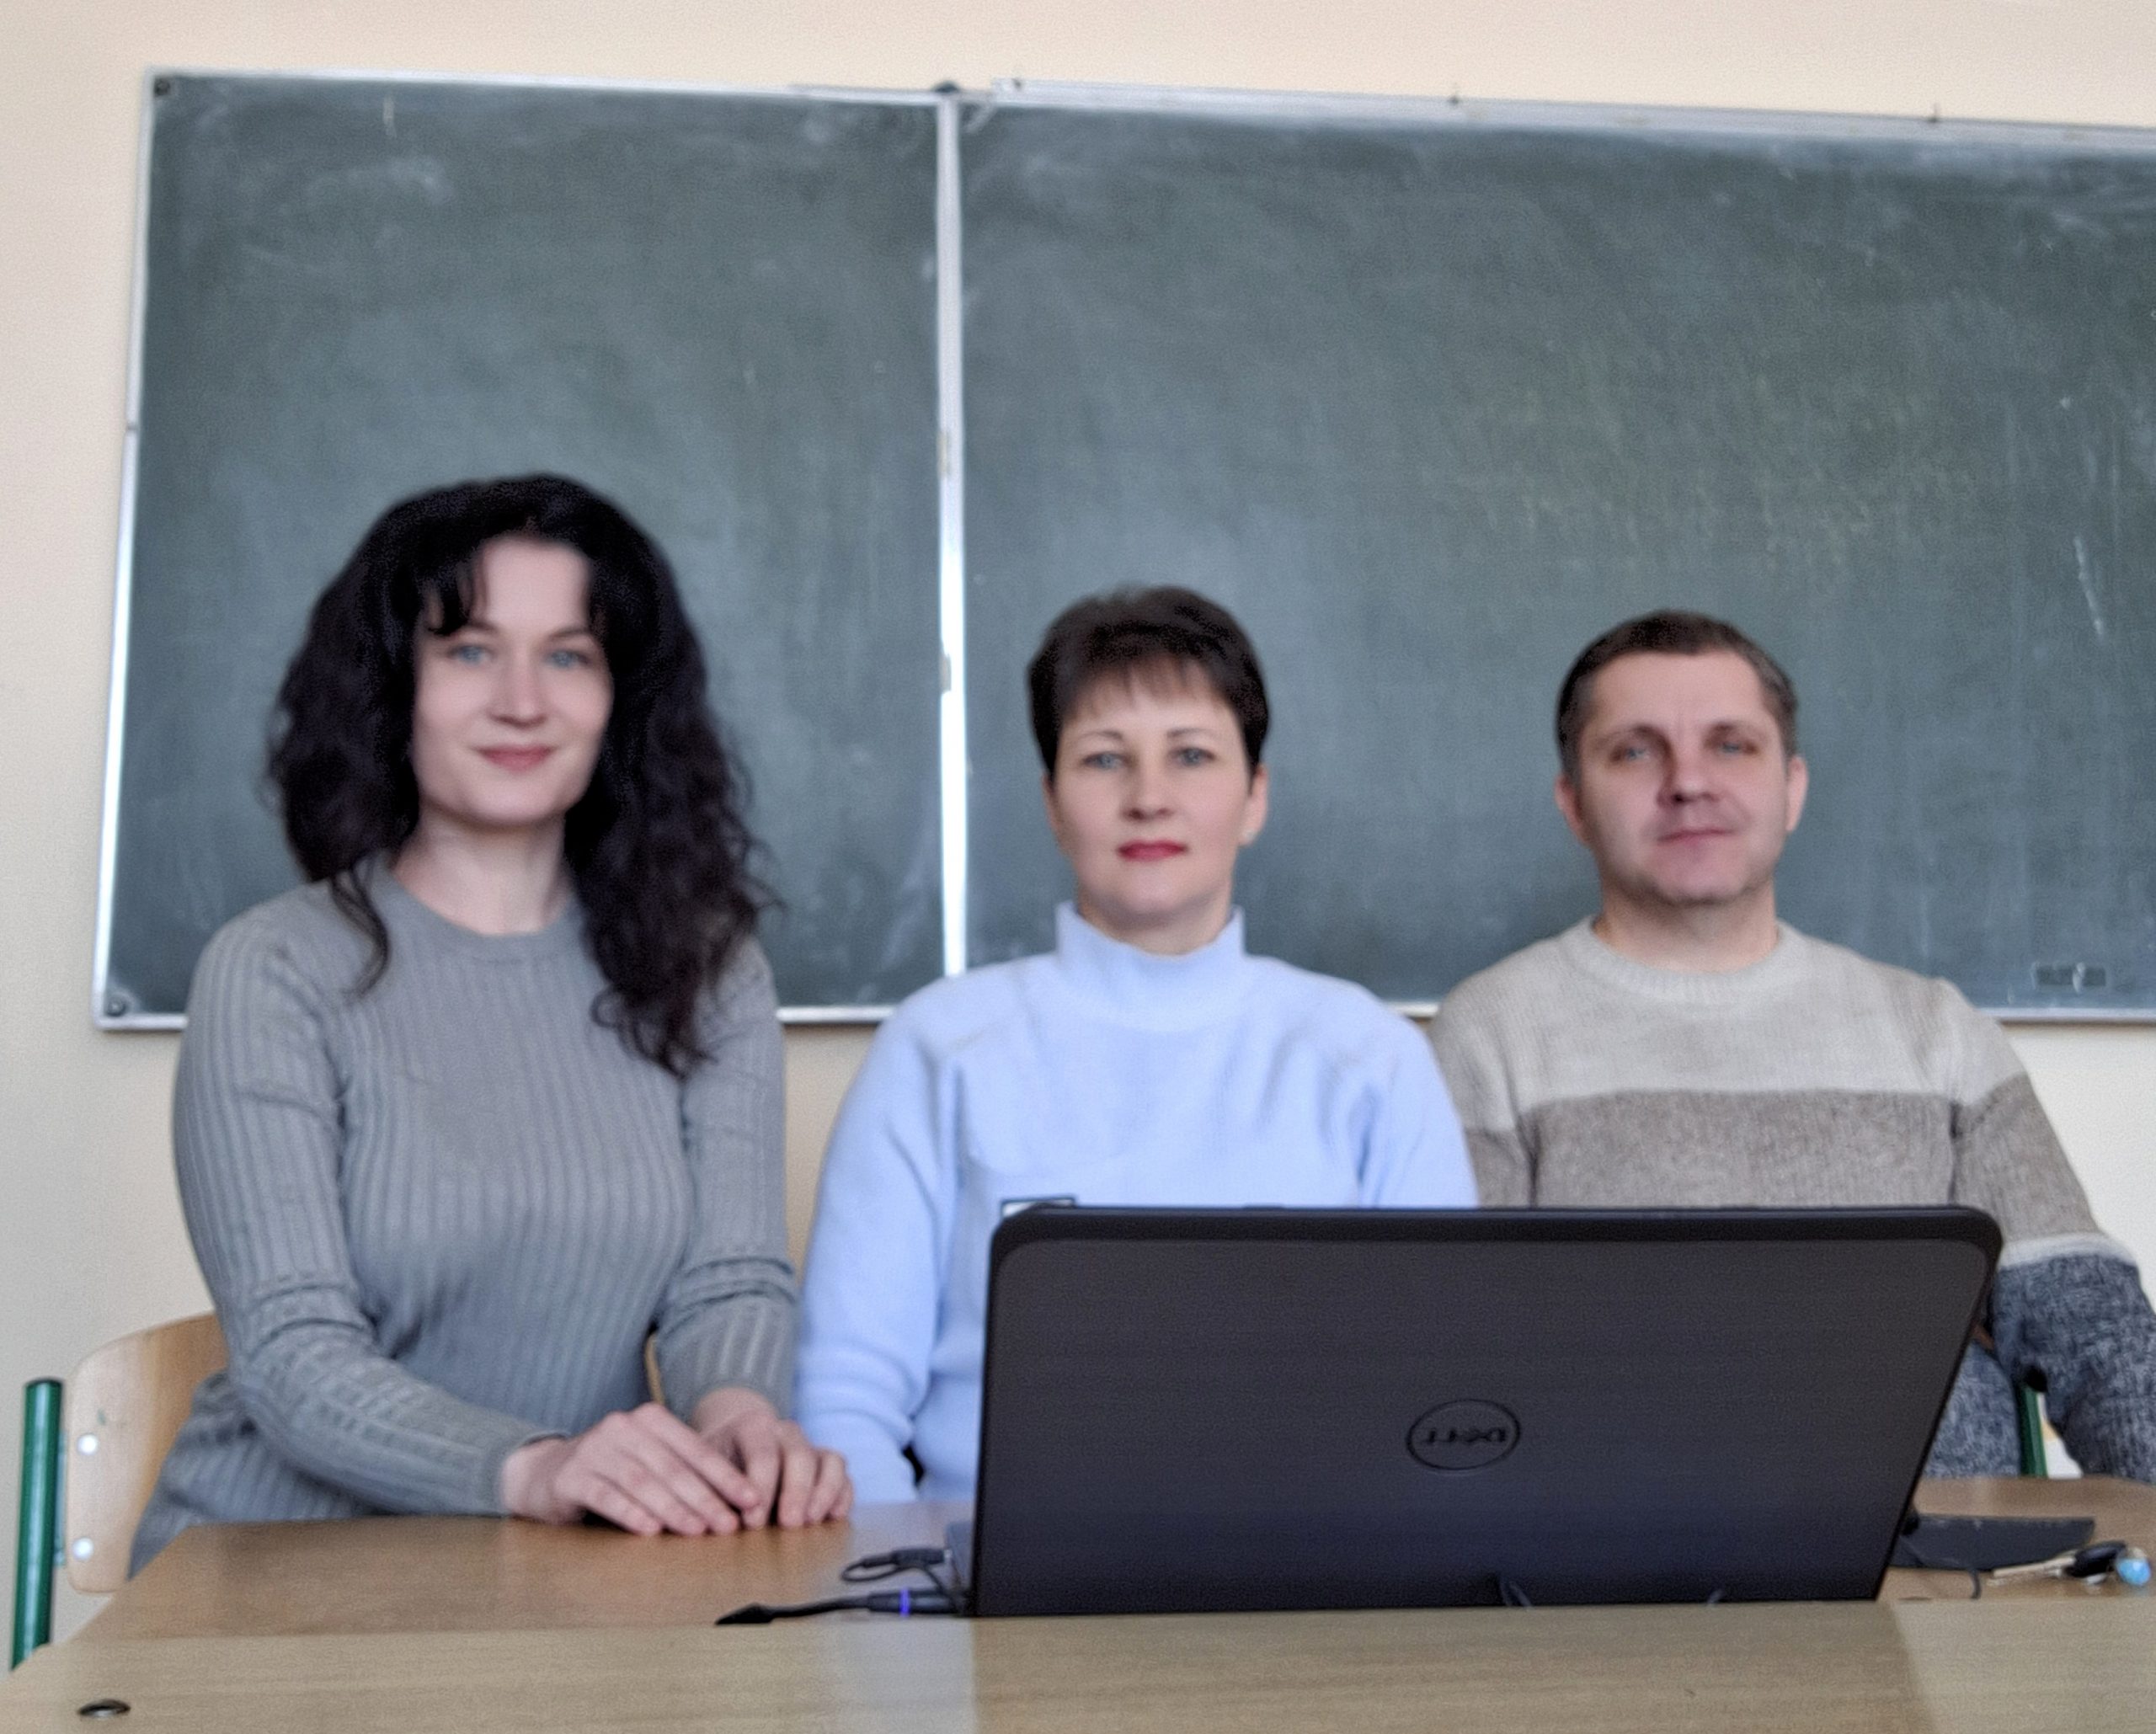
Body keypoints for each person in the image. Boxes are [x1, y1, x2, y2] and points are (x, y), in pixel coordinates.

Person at [132, 474, 849, 1571]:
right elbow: (292, 1357)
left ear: (620, 698)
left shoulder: (708, 972)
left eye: (569, 655)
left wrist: (738, 1419)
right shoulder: (273, 970)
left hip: (561, 1583)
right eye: (470, 650)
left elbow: (727, 1281)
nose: (524, 701)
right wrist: (533, 1467)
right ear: (394, 685)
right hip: (269, 1580)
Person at [1429, 608, 2156, 1481]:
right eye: (1635, 750)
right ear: (1573, 802)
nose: (1688, 782)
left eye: (1731, 745)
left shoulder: (1934, 1032)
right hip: (1612, 1545)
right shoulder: (1489, 1034)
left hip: (1935, 1553)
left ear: (1793, 787)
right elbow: (1452, 1359)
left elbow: (2095, 1335)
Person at [794, 586, 1477, 1502]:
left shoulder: (1368, 1055)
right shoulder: (939, 1047)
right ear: (1051, 801)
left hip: (1314, 1560)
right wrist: (915, 1573)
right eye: (1104, 758)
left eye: (1191, 755)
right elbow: (844, 1403)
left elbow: (1440, 1385)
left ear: (1255, 796)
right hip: (986, 1561)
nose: (1149, 799)